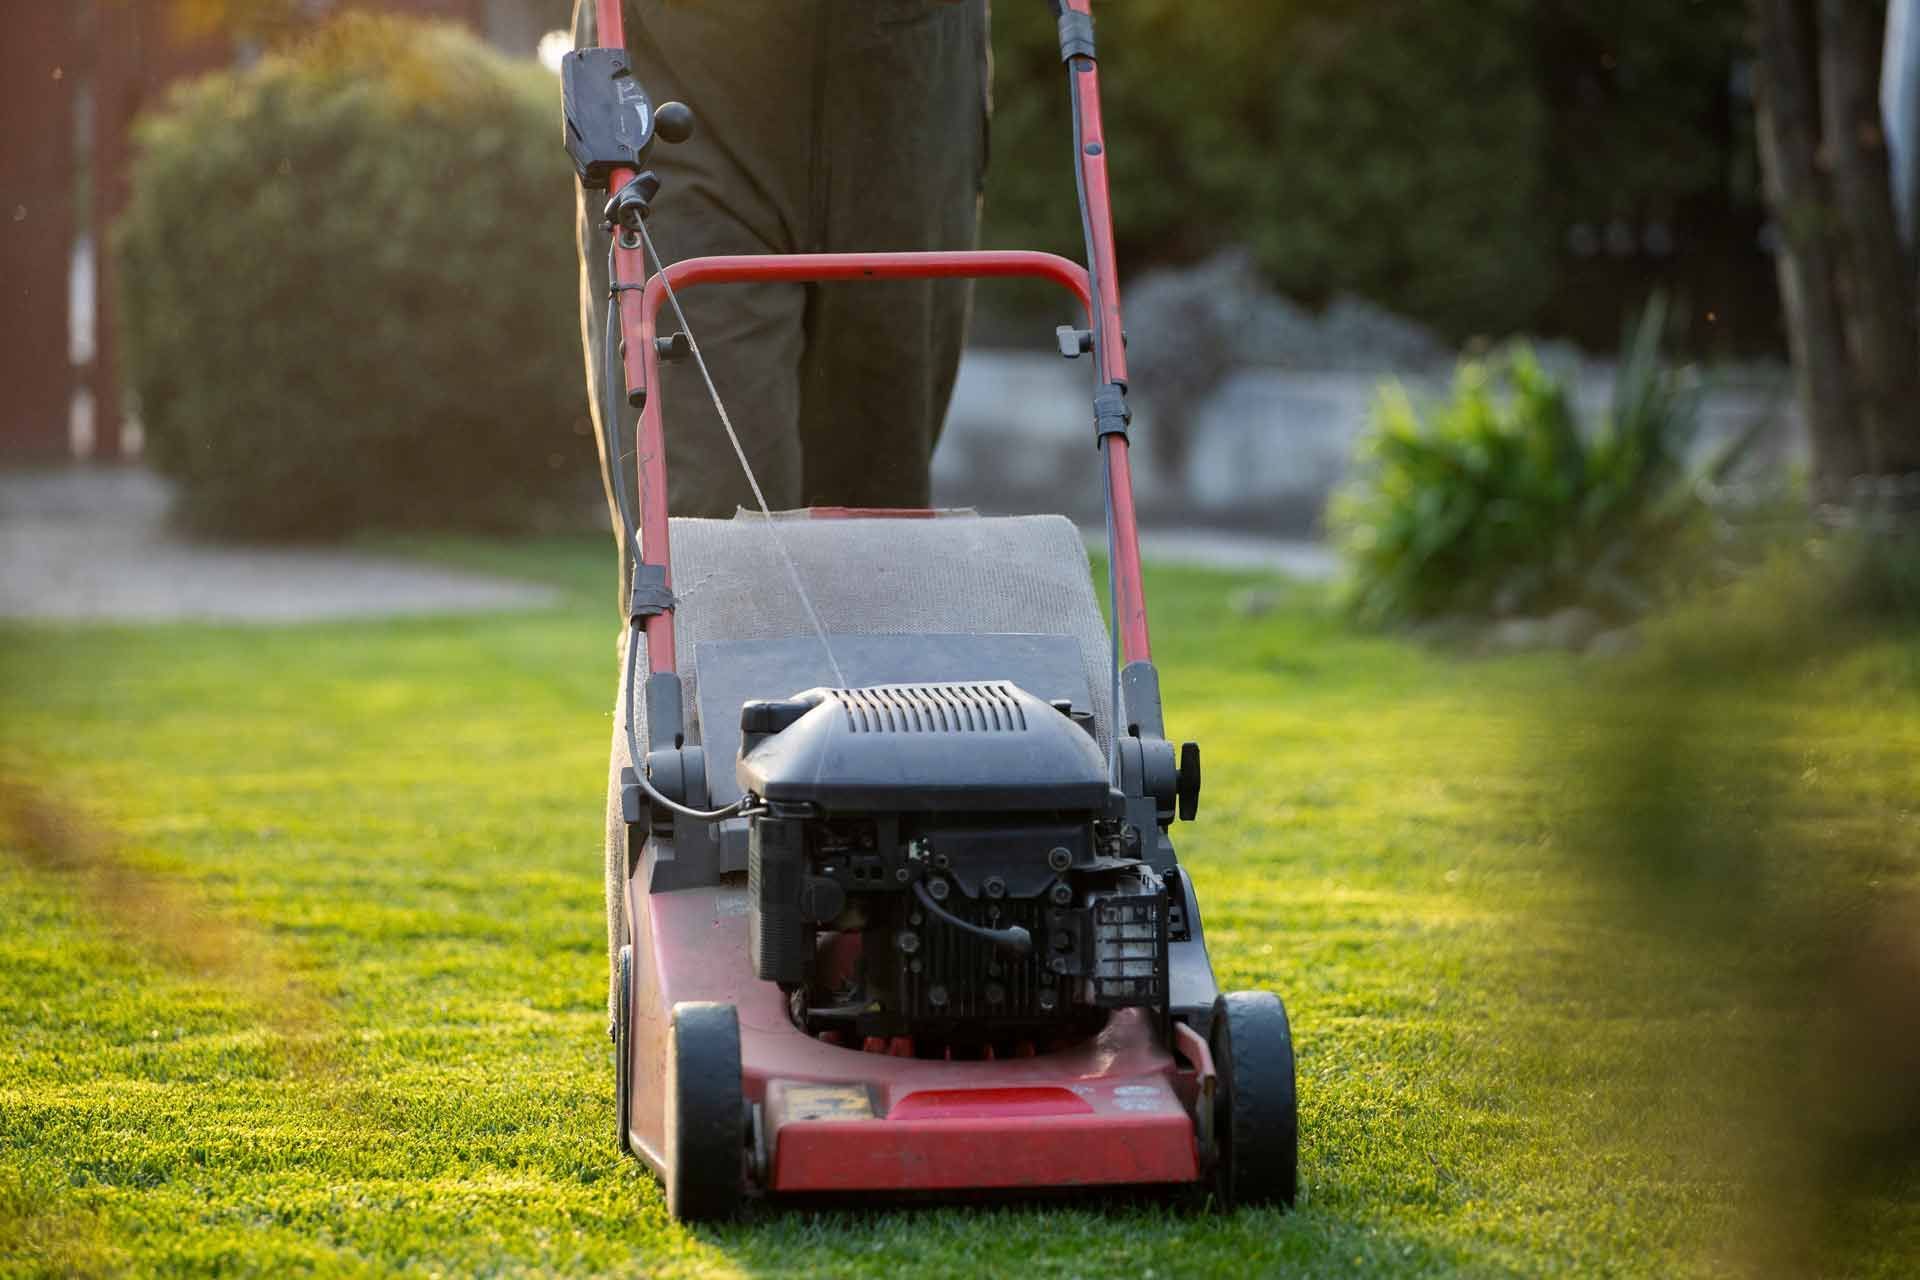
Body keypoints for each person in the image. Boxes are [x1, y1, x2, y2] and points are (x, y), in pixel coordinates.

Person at [572, 0, 991, 612]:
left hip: (907, 63)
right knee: (710, 545)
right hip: (685, 69)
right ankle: (691, 703)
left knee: (881, 535)